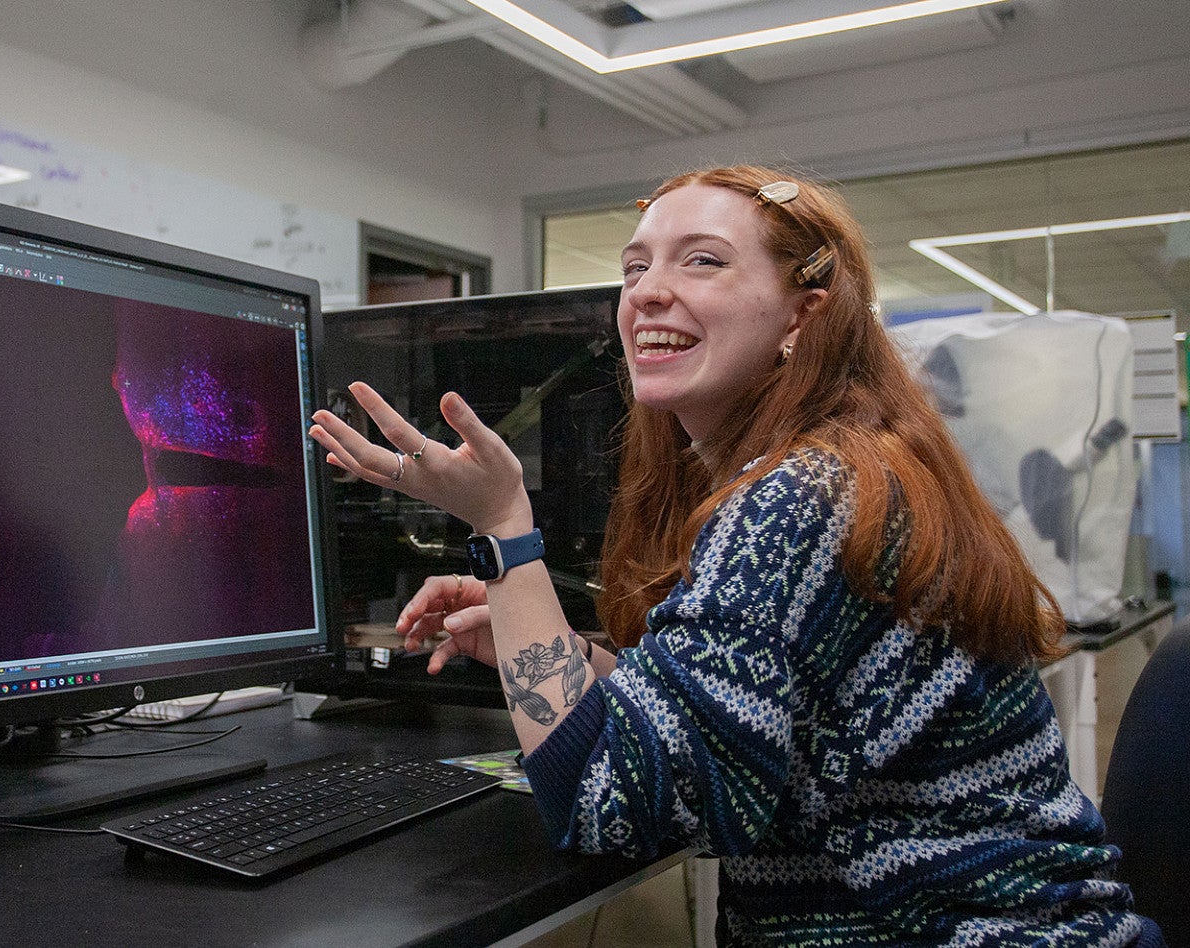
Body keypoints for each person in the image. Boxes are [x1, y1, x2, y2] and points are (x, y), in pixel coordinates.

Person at [308, 165, 1164, 947]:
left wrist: (505, 534)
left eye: (704, 262)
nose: (648, 293)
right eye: (636, 266)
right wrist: (561, 650)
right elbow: (742, 704)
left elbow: (608, 805)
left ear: (805, 313)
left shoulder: (797, 501)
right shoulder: (841, 467)